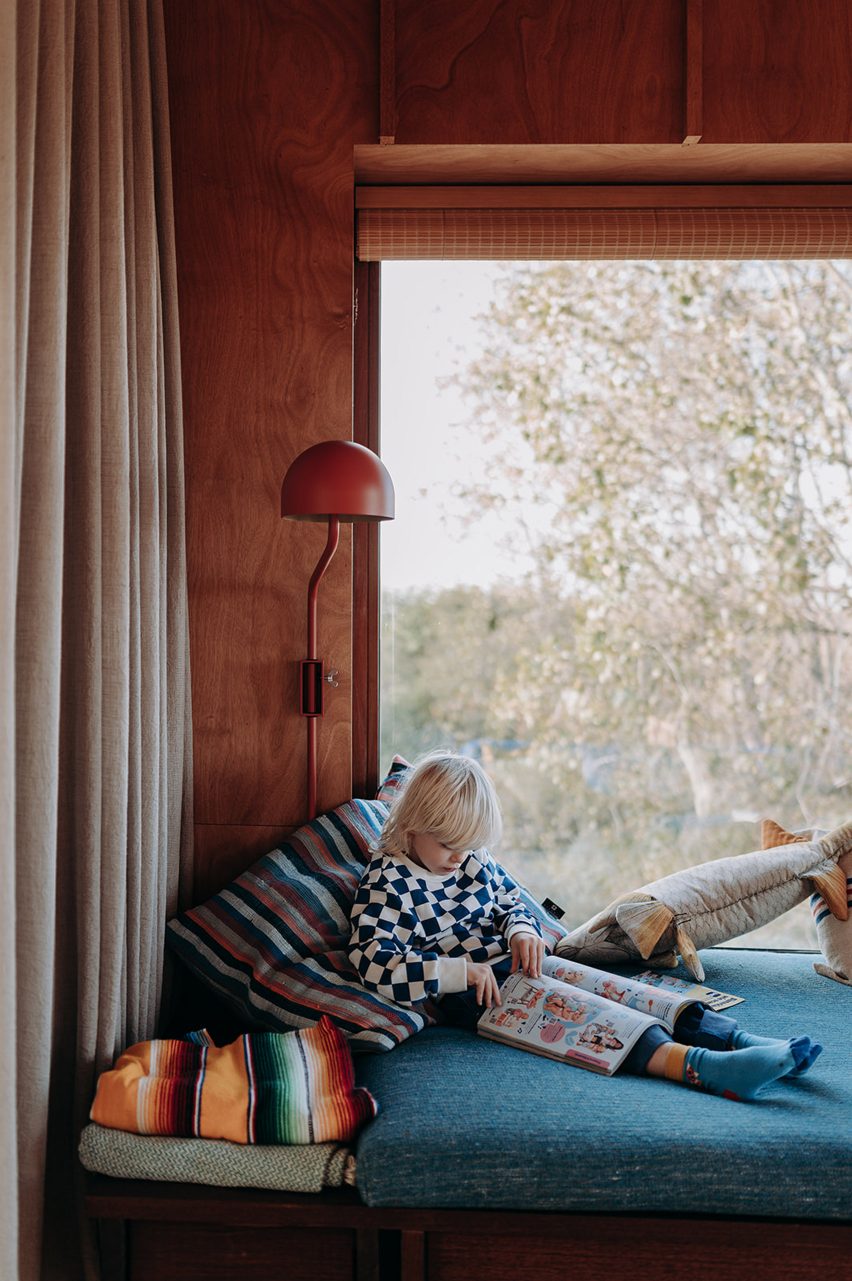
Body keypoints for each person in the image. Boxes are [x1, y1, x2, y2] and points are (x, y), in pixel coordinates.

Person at [349, 750, 822, 1102]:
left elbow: (508, 898)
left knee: (622, 991)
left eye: (469, 845)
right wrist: (456, 972)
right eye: (448, 844)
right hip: (474, 993)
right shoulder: (388, 882)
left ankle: (733, 1038)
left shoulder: (469, 859)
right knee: (586, 1017)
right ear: (413, 825)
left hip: (517, 960)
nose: (459, 857)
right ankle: (705, 1068)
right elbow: (374, 963)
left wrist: (521, 929)